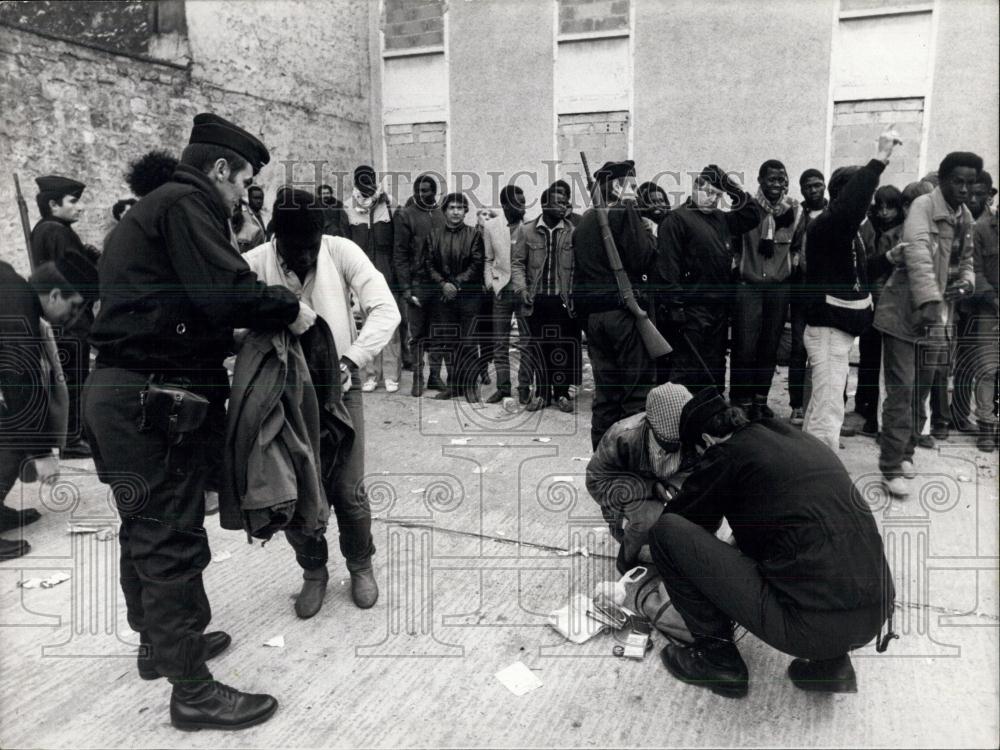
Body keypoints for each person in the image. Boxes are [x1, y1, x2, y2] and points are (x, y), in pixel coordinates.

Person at [86, 113, 315, 730]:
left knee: (143, 528)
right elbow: (228, 288)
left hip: (122, 393)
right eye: (242, 182)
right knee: (171, 540)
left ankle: (158, 647)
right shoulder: (189, 203)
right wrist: (287, 309)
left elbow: (179, 302)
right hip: (149, 402)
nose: (244, 197)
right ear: (220, 170)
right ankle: (192, 691)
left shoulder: (155, 208)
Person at [650, 389, 894, 699]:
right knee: (813, 547)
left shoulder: (725, 455)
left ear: (707, 442)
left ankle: (718, 661)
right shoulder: (793, 438)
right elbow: (786, 523)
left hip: (811, 627)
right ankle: (832, 665)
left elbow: (684, 524)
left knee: (666, 532)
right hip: (874, 614)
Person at [243, 187, 399, 616]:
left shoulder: (341, 250)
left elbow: (386, 310)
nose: (305, 259)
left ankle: (361, 565)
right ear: (277, 237)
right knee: (296, 494)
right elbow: (225, 323)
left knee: (348, 490)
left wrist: (352, 358)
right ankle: (314, 573)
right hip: (284, 403)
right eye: (295, 251)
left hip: (341, 392)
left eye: (311, 248)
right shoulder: (255, 263)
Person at [875, 151, 980, 498]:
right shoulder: (922, 206)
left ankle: (905, 454)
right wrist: (931, 300)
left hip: (937, 319)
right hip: (905, 314)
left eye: (970, 182)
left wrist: (965, 282)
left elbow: (966, 259)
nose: (964, 189)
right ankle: (890, 467)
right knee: (902, 391)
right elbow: (918, 254)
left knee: (921, 389)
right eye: (958, 181)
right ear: (944, 179)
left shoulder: (963, 216)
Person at [801, 126, 900, 452]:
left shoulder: (847, 232)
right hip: (829, 330)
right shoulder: (830, 225)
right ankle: (819, 475)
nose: (869, 206)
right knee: (828, 409)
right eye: (866, 199)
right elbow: (851, 205)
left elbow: (857, 273)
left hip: (838, 329)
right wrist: (880, 159)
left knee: (823, 403)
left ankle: (807, 464)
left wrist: (887, 258)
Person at [0, 253, 95, 559]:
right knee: (13, 434)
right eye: (75, 306)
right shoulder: (18, 304)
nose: (75, 315)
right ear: (54, 295)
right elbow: (19, 379)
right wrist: (42, 452)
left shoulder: (12, 288)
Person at [573, 160, 658, 449]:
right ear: (618, 186)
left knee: (606, 393)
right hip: (623, 313)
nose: (635, 191)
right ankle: (630, 460)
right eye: (631, 185)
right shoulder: (625, 211)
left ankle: (602, 456)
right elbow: (643, 257)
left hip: (594, 317)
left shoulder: (583, 221)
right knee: (635, 393)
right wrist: (648, 233)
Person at [657, 164, 760, 395]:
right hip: (691, 310)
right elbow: (668, 268)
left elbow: (752, 215)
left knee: (714, 370)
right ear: (695, 188)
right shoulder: (676, 219)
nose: (713, 199)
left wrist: (731, 187)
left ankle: (711, 418)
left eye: (717, 194)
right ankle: (680, 421)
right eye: (709, 192)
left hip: (718, 309)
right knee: (687, 370)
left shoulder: (720, 219)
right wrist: (675, 308)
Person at [586, 383, 692, 574]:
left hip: (666, 489)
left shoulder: (692, 433)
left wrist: (676, 485)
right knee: (648, 519)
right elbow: (596, 483)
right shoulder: (622, 436)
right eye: (667, 443)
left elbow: (693, 470)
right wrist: (650, 488)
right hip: (630, 497)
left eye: (680, 442)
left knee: (701, 511)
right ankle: (627, 557)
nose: (675, 448)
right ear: (648, 424)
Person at [31, 174, 98, 459]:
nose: (79, 207)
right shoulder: (57, 231)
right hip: (71, 316)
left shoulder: (45, 230)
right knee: (75, 376)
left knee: (70, 375)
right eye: (73, 201)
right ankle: (72, 440)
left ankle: (72, 436)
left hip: (61, 313)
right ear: (53, 205)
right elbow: (79, 272)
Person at [731, 159, 803, 416]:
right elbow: (733, 243)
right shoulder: (746, 208)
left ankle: (761, 400)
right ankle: (741, 402)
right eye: (772, 179)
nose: (777, 184)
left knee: (769, 346)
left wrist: (788, 269)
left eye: (782, 179)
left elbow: (796, 247)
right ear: (760, 180)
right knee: (744, 346)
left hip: (778, 289)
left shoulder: (795, 210)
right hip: (748, 287)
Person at [510, 181, 576, 412]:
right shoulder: (526, 231)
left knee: (561, 348)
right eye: (558, 202)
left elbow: (577, 267)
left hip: (562, 301)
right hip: (536, 300)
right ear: (545, 204)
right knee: (539, 348)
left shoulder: (571, 232)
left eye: (566, 202)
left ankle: (561, 394)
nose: (563, 206)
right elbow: (517, 263)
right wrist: (522, 290)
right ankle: (542, 394)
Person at [853, 185, 906, 437]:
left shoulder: (901, 231)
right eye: (881, 206)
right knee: (869, 357)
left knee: (883, 362)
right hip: (874, 301)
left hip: (888, 304)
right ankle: (864, 406)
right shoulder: (872, 227)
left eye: (891, 207)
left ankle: (873, 413)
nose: (885, 212)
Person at [346, 165, 402, 393]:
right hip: (360, 275)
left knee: (389, 323)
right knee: (367, 324)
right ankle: (370, 374)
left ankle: (391, 374)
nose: (367, 186)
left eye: (370, 180)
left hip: (386, 272)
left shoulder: (389, 203)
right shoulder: (347, 207)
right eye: (362, 181)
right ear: (356, 183)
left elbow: (398, 241)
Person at [423, 192, 485, 401]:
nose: (456, 212)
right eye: (452, 208)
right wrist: (443, 284)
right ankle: (453, 386)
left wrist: (456, 284)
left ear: (466, 211)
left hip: (468, 297)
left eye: (460, 208)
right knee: (450, 342)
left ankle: (469, 387)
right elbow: (429, 263)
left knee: (468, 342)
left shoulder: (474, 235)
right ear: (444, 211)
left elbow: (477, 263)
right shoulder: (434, 235)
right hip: (444, 298)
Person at [952, 170, 997, 436]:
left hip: (985, 304)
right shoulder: (961, 219)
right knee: (966, 363)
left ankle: (986, 417)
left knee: (986, 366)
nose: (973, 198)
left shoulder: (988, 223)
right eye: (969, 193)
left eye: (980, 194)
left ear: (990, 195)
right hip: (967, 304)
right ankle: (958, 415)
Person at [393, 173, 446, 396]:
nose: (422, 194)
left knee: (438, 333)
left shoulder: (443, 214)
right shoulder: (406, 215)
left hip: (440, 284)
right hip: (417, 283)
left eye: (427, 190)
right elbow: (400, 253)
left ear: (434, 192)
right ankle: (418, 377)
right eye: (418, 190)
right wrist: (405, 288)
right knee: (417, 334)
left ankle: (435, 376)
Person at [787, 169, 827, 425]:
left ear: (824, 187)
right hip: (801, 290)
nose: (813, 190)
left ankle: (823, 407)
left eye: (817, 185)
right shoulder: (796, 214)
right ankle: (796, 405)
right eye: (808, 187)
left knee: (826, 351)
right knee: (799, 349)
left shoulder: (834, 213)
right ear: (802, 190)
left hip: (825, 292)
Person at [482, 184, 527, 403]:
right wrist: (491, 283)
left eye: (524, 201)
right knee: (499, 341)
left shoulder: (529, 226)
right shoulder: (491, 226)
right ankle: (503, 388)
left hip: (523, 291)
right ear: (505, 205)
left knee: (527, 342)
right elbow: (488, 259)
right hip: (501, 291)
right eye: (517, 202)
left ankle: (525, 387)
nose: (523, 206)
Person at [967, 181, 999, 452]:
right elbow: (974, 271)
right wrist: (992, 297)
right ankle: (986, 426)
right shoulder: (981, 230)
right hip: (990, 309)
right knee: (987, 369)